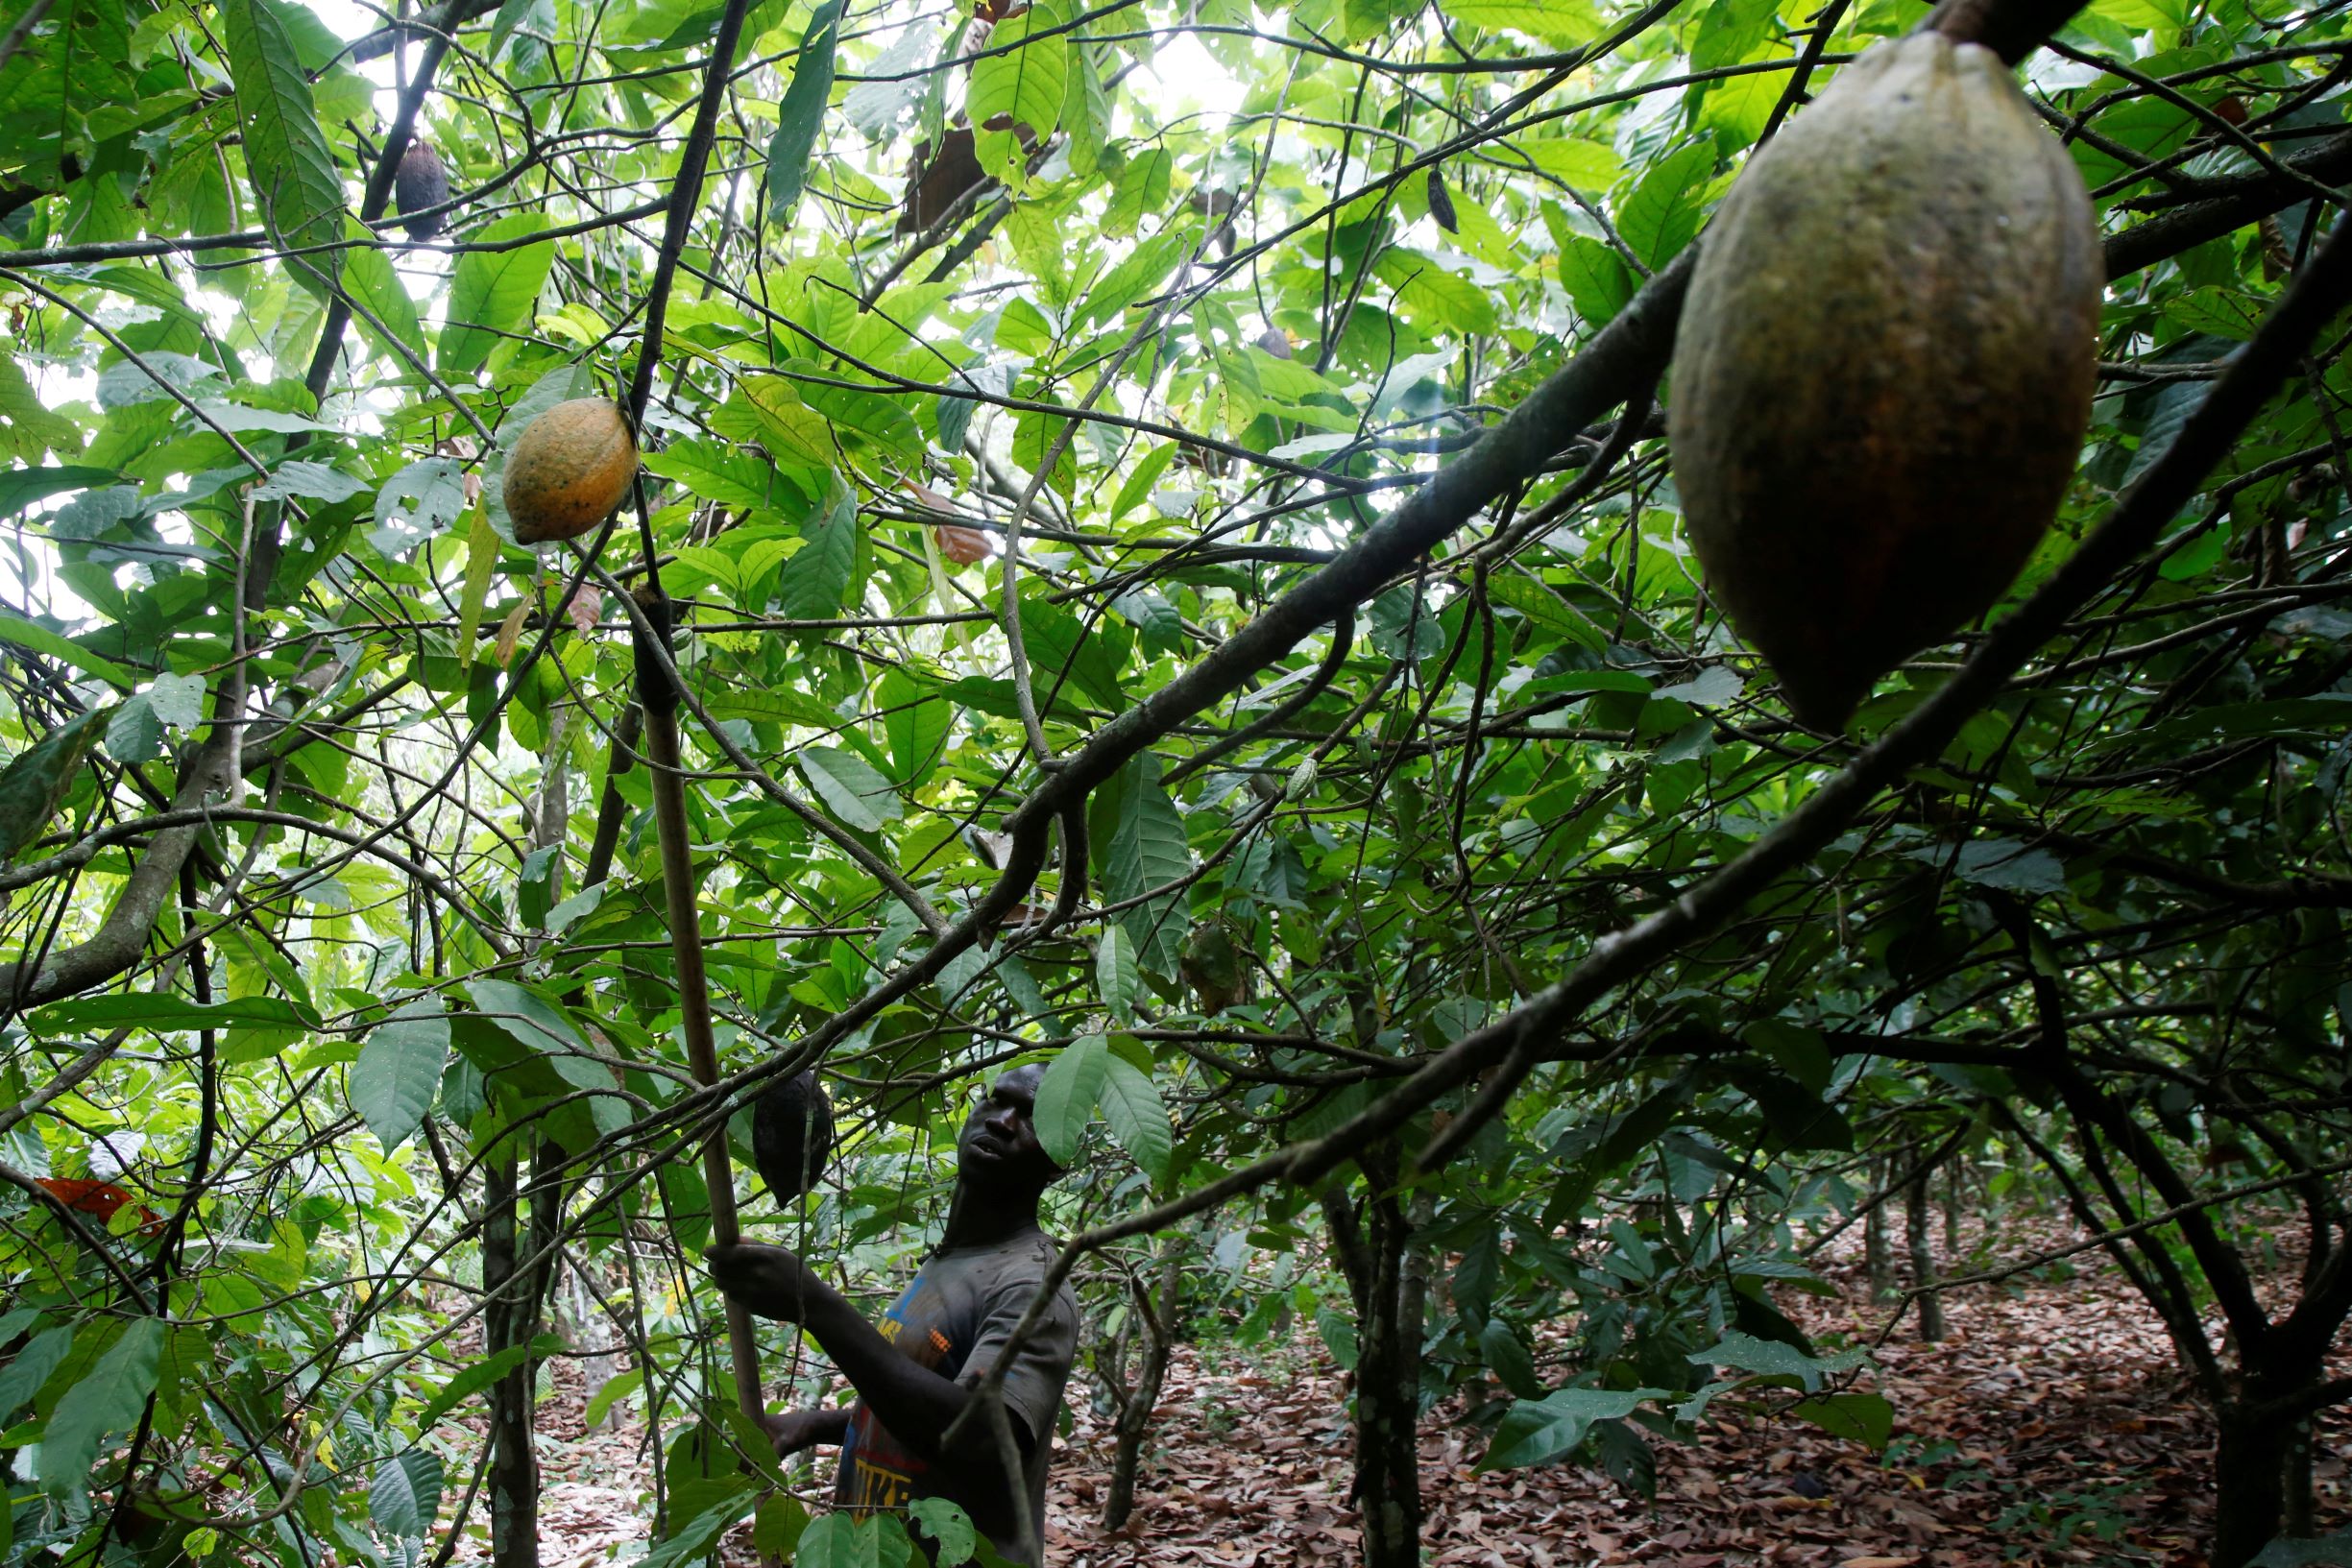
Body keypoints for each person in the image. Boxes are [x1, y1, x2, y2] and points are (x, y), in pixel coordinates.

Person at [705, 1064, 1079, 1565]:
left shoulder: (1033, 1286)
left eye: (1032, 1118)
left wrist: (815, 1305)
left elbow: (982, 1440)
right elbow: (928, 1397)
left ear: (1059, 1160)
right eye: (997, 1101)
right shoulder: (955, 1258)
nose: (1004, 1122)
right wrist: (817, 1425)